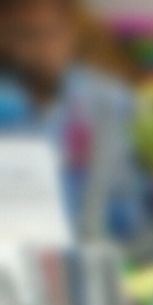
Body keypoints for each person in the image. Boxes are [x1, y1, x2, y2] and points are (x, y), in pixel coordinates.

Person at [0, 0, 143, 240]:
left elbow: (129, 205)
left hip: (96, 245)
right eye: (28, 35)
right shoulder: (7, 106)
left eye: (52, 32)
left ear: (71, 33)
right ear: (8, 40)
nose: (43, 47)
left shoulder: (108, 102)